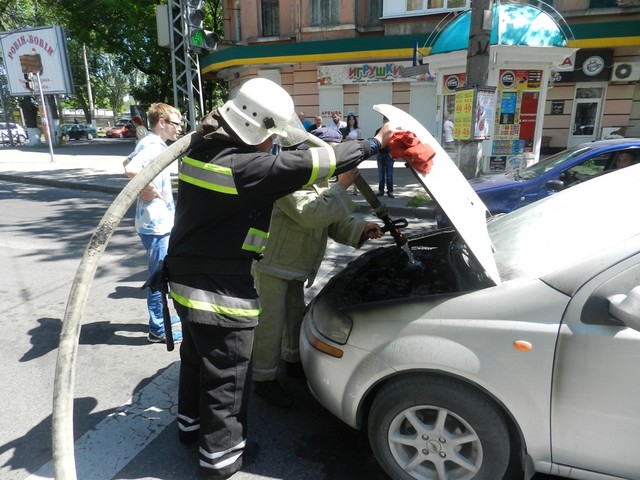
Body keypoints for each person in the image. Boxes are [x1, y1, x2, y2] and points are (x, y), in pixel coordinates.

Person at [164, 77, 396, 480]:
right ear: (257, 131)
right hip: (218, 289)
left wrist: (359, 227)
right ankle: (221, 461)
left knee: (197, 362)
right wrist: (374, 144)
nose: (273, 145)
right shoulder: (243, 167)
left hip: (187, 279)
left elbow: (322, 212)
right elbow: (312, 173)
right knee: (228, 380)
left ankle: (190, 427)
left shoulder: (208, 150)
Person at [251, 126, 384, 408]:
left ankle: (292, 361)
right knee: (270, 324)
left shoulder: (320, 180)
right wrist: (343, 185)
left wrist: (362, 228)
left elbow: (331, 219)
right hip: (273, 264)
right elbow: (311, 214)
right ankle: (263, 378)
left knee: (293, 317)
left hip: (296, 264)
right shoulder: (285, 177)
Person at [123, 103, 183, 344]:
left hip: (154, 222)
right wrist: (148, 188)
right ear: (162, 123)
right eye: (176, 123)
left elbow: (126, 162)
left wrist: (147, 189)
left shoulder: (151, 142)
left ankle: (162, 322)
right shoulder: (152, 145)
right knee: (158, 277)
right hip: (156, 225)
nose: (180, 129)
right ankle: (158, 329)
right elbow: (131, 168)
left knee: (161, 274)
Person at [376, 116, 395, 198]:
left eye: (387, 121)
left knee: (389, 174)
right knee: (381, 174)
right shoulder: (379, 130)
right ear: (383, 122)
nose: (386, 123)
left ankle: (390, 191)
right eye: (385, 121)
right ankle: (381, 190)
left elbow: (395, 144)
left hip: (389, 154)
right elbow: (376, 142)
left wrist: (394, 154)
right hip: (380, 154)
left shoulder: (393, 131)